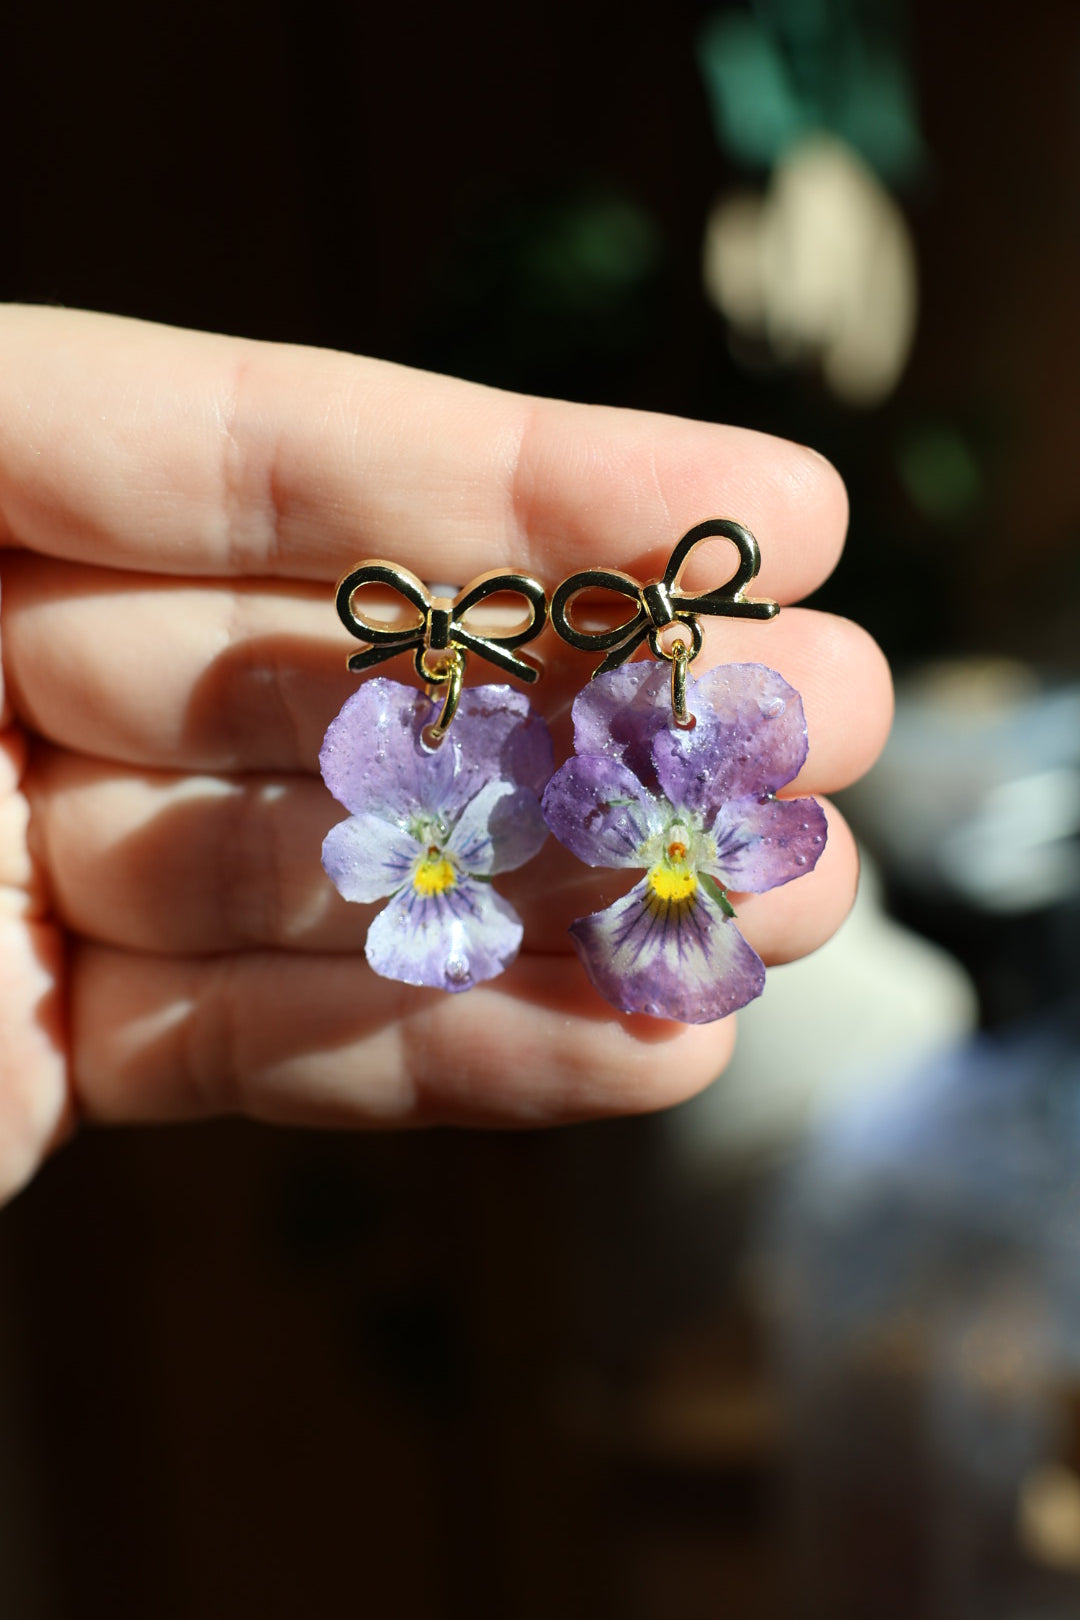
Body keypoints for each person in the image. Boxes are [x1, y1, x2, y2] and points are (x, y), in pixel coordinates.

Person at [0, 305, 892, 1206]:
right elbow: (568, 800)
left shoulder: (635, 772)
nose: (668, 856)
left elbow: (618, 805)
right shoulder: (545, 780)